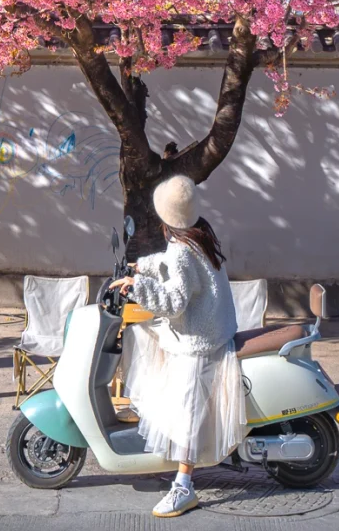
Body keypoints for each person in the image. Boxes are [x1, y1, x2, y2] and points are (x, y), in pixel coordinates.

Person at [110, 175, 247, 519]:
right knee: (142, 333)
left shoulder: (183, 249)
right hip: (210, 327)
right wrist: (141, 266)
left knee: (188, 411)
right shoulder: (198, 233)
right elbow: (170, 262)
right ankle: (153, 422)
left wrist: (136, 286)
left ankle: (184, 486)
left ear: (164, 217)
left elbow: (174, 302)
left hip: (201, 341)